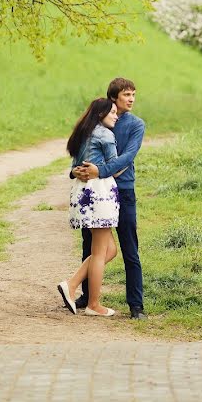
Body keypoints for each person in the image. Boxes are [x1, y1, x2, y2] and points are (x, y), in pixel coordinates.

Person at [73, 78, 146, 319]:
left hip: (122, 190)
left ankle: (136, 305)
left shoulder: (136, 125)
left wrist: (99, 170)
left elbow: (127, 157)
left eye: (133, 94)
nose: (132, 99)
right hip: (95, 191)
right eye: (127, 94)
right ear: (114, 97)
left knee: (128, 248)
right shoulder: (99, 120)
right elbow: (83, 152)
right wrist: (77, 171)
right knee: (90, 246)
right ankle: (86, 298)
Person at [57, 98, 123, 317]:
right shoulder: (105, 134)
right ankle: (93, 304)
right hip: (100, 192)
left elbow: (74, 168)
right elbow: (114, 168)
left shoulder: (83, 133)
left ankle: (72, 284)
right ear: (100, 114)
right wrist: (126, 162)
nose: (116, 115)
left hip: (83, 192)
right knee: (99, 252)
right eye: (112, 112)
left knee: (108, 250)